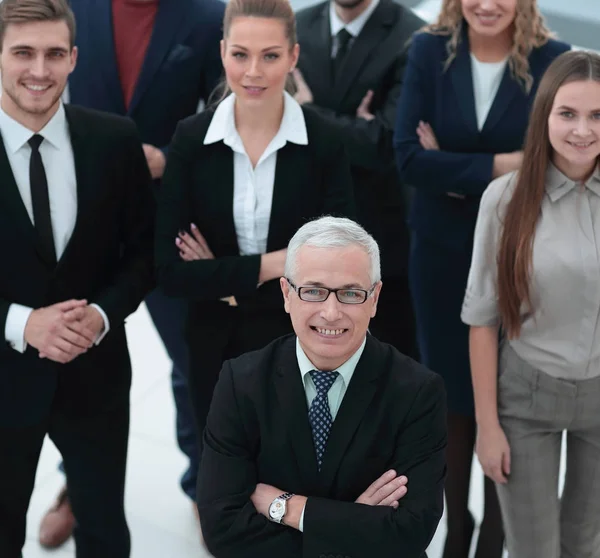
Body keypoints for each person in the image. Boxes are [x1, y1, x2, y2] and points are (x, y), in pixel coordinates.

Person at [38, 0, 225, 547]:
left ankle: (202, 487)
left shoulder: (205, 16)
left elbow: (223, 113)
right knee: (78, 361)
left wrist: (169, 156)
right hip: (84, 216)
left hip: (170, 215)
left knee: (194, 360)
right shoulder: (75, 8)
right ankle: (75, 486)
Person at [393, 1, 570, 555]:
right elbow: (408, 160)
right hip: (441, 255)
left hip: (519, 251)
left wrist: (454, 165)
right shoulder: (427, 50)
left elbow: (560, 159)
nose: (487, 4)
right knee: (448, 394)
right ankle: (456, 530)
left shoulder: (553, 60)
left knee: (506, 395)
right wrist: (509, 162)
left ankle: (496, 535)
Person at [155, 0, 355, 482]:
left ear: (293, 56)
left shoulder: (325, 141)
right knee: (222, 459)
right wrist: (276, 264)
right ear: (222, 52)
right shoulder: (192, 138)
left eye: (270, 55)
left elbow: (337, 264)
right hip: (213, 342)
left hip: (299, 341)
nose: (253, 71)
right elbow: (170, 270)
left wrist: (223, 277)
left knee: (293, 467)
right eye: (240, 54)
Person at [0, 0, 155, 556]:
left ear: (74, 59)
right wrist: (22, 324)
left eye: (53, 54)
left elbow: (143, 256)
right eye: (23, 52)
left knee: (105, 532)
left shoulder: (114, 140)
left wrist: (101, 314)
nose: (39, 70)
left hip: (96, 378)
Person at [196, 216, 447, 558]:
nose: (331, 313)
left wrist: (289, 508)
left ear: (374, 298)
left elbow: (410, 532)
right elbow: (222, 530)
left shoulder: (418, 392)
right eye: (313, 291)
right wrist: (353, 524)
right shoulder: (241, 382)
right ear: (287, 294)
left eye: (350, 293)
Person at [462, 49, 600, 558]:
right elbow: (481, 321)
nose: (582, 130)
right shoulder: (505, 199)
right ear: (545, 116)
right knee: (533, 550)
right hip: (526, 399)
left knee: (586, 547)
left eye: (597, 115)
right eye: (568, 114)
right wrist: (488, 426)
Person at [294, 0, 423, 359]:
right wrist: (356, 127)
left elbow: (384, 145)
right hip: (306, 233)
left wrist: (307, 112)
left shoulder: (412, 37)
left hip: (382, 245)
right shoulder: (298, 26)